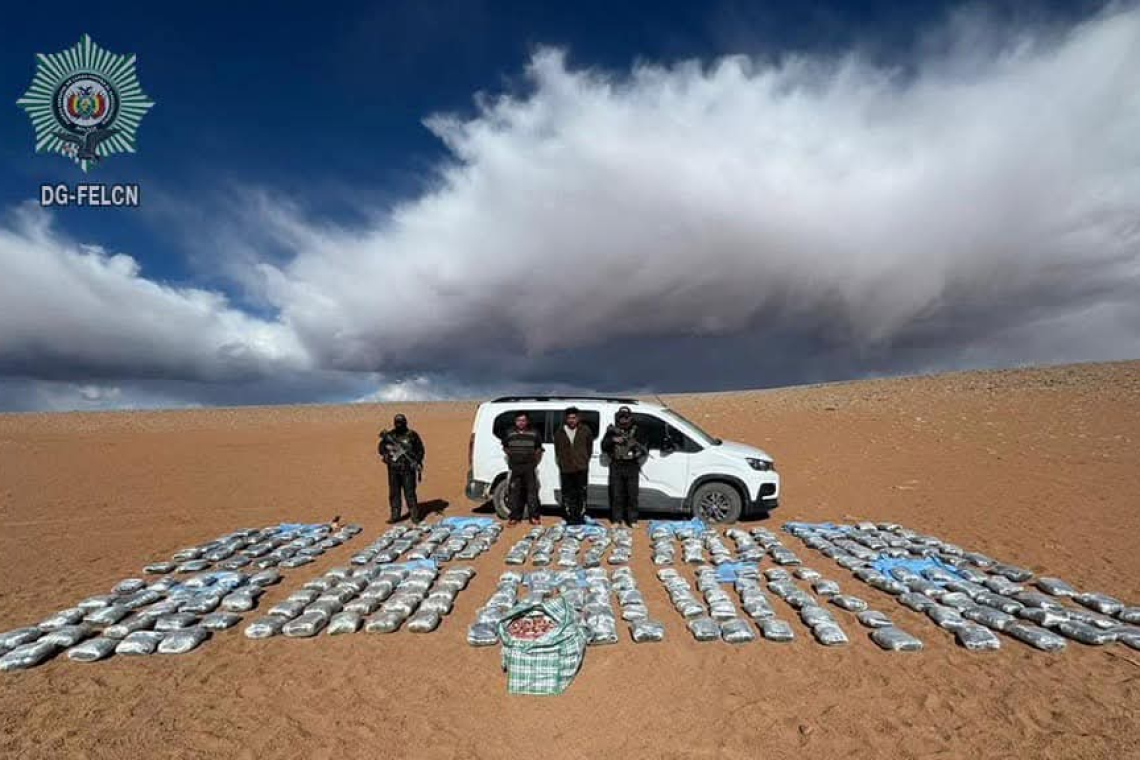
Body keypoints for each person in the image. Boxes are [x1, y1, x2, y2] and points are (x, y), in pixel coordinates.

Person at [601, 406, 646, 527]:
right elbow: (604, 446)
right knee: (616, 494)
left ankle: (632, 520)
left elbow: (645, 447)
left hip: (632, 465)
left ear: (630, 418)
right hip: (616, 464)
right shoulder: (612, 431)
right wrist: (613, 440)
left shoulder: (637, 431)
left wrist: (636, 449)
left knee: (632, 494)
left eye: (626, 417)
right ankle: (616, 520)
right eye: (621, 418)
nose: (624, 420)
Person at [378, 413, 425, 523]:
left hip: (408, 469)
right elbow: (381, 449)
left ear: (405, 423)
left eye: (401, 422)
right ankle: (395, 515)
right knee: (394, 493)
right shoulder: (389, 436)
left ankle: (414, 516)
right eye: (397, 423)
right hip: (393, 469)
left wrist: (417, 461)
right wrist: (386, 455)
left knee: (410, 493)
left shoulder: (412, 435)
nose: (399, 425)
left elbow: (420, 450)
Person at [553, 407, 595, 525]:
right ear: (566, 419)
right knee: (567, 493)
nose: (571, 420)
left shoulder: (585, 430)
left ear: (578, 418)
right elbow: (557, 450)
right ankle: (569, 517)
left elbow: (589, 448)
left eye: (574, 417)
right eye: (569, 418)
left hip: (581, 467)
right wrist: (562, 462)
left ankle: (580, 517)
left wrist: (584, 460)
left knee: (581, 493)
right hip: (566, 468)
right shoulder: (559, 432)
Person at [502, 411, 543, 526]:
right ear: (515, 422)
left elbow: (539, 448)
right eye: (519, 420)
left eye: (523, 420)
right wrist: (513, 456)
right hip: (515, 467)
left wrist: (534, 461)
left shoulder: (534, 433)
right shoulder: (509, 433)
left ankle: (534, 517)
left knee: (532, 493)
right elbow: (505, 447)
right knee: (514, 493)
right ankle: (514, 517)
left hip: (529, 467)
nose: (521, 423)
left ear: (527, 421)